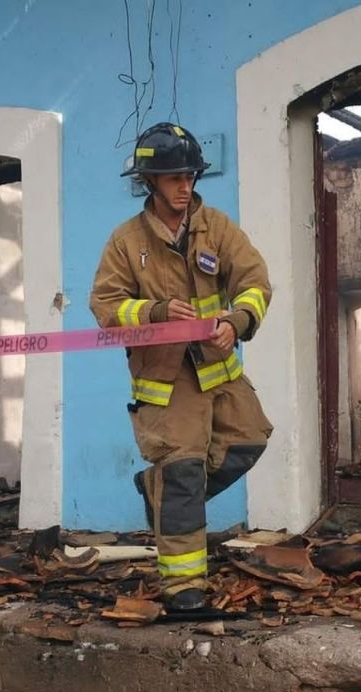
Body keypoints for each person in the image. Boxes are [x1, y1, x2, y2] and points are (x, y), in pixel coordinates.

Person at [90, 122, 273, 612]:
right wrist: (154, 313)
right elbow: (106, 306)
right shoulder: (126, 242)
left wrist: (238, 320)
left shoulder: (217, 228)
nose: (184, 185)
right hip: (165, 383)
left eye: (190, 174)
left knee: (250, 441)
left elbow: (254, 281)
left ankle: (160, 490)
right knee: (185, 472)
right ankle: (183, 588)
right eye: (173, 177)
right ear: (149, 181)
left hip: (219, 369)